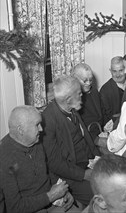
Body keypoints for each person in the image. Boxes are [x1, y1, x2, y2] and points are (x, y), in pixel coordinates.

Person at [0, 106, 76, 213]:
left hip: (49, 199)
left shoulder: (35, 141)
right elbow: (15, 207)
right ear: (21, 130)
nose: (41, 129)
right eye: (37, 125)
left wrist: (62, 190)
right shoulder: (4, 158)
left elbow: (47, 171)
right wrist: (51, 196)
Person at [42, 76, 100, 206]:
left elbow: (86, 138)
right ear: (68, 100)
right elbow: (54, 163)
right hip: (71, 176)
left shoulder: (71, 108)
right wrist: (84, 174)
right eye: (79, 94)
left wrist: (97, 158)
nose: (82, 98)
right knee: (103, 196)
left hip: (87, 164)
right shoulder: (48, 121)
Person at [71, 63, 103, 138]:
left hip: (101, 131)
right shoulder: (73, 99)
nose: (88, 83)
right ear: (75, 78)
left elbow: (102, 112)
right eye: (85, 80)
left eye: (90, 80)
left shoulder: (94, 91)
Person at [100, 56, 126, 125]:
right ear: (110, 71)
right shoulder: (105, 91)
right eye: (114, 71)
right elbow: (106, 118)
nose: (117, 75)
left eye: (121, 70)